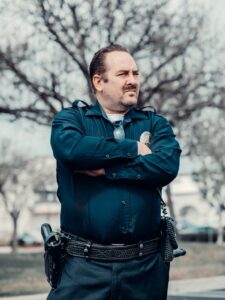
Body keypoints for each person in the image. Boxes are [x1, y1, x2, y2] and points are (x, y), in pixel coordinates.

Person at [48, 44, 181, 300]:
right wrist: (133, 148)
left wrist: (106, 170)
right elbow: (72, 150)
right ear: (99, 81)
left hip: (145, 270)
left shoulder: (155, 124)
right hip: (82, 268)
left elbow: (166, 166)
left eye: (135, 73)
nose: (133, 81)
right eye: (123, 74)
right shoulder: (71, 120)